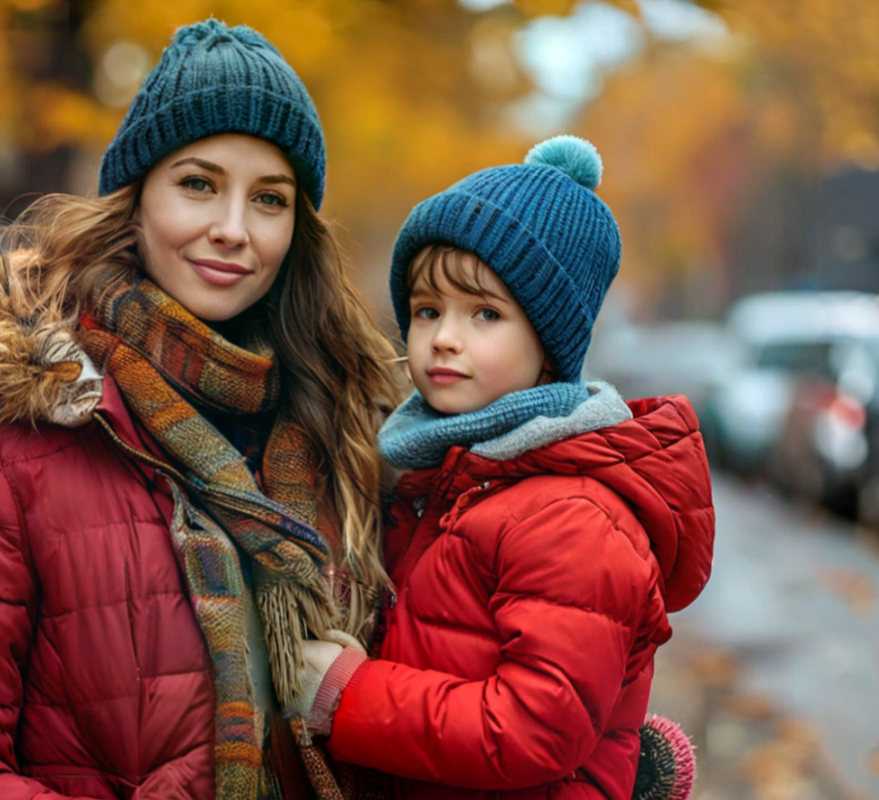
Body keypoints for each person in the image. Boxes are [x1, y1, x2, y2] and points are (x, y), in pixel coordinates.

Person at [0, 18, 399, 800]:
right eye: (198, 184)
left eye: (270, 199)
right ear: (136, 198)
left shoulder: (339, 440)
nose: (232, 229)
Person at [285, 136, 716, 800]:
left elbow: (533, 730)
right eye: (428, 310)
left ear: (549, 342)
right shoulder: (446, 479)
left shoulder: (570, 515)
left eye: (485, 313)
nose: (444, 337)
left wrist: (348, 697)